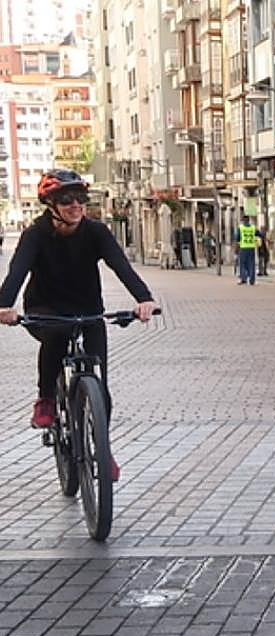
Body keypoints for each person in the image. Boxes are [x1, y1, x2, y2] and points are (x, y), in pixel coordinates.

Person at [0, 169, 159, 481]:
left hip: (88, 309)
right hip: (46, 308)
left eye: (81, 198)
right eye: (66, 199)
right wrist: (4, 305)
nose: (76, 205)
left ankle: (102, 449)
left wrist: (144, 299)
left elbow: (121, 266)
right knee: (57, 336)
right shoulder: (36, 234)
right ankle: (46, 399)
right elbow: (17, 271)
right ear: (51, 205)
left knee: (99, 380)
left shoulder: (96, 232)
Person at [236, 214, 257, 285]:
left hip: (243, 248)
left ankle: (243, 278)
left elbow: (237, 238)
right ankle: (252, 280)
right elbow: (258, 234)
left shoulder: (241, 228)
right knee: (251, 264)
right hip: (251, 248)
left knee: (243, 264)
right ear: (249, 220)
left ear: (243, 220)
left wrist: (237, 247)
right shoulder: (253, 227)